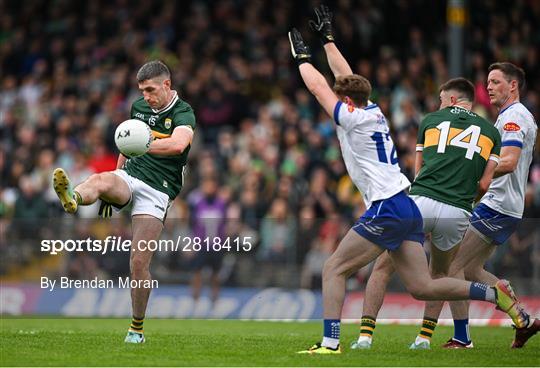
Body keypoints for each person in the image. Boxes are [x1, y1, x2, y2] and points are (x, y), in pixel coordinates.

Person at [291, 5, 527, 354]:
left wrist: (301, 58)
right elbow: (347, 77)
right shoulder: (371, 109)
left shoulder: (353, 118)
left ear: (346, 100)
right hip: (405, 203)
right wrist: (328, 40)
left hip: (388, 206)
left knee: (334, 268)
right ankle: (495, 294)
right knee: (423, 286)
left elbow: (318, 88)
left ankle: (330, 342)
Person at [352, 77, 502, 350]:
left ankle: (364, 337)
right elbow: (484, 184)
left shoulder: (430, 120)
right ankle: (423, 338)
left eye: (443, 99)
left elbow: (418, 172)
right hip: (457, 210)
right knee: (441, 274)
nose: (440, 104)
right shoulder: (492, 133)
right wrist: (465, 201)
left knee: (384, 266)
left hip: (422, 202)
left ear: (453, 100)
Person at [52, 60, 195, 343]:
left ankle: (136, 328)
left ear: (167, 85)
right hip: (131, 176)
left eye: (151, 90)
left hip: (159, 190)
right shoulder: (138, 108)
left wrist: (144, 144)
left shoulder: (183, 112)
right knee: (101, 180)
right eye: (142, 90)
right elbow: (126, 148)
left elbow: (179, 144)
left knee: (138, 263)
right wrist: (117, 178)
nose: (146, 96)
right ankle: (74, 197)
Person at [442, 62, 539, 349]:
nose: (488, 87)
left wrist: (470, 170)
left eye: (496, 81)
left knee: (452, 268)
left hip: (497, 205)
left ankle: (462, 338)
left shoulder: (515, 117)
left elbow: (508, 162)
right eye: (487, 82)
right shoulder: (508, 116)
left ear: (513, 86)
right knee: (471, 270)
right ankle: (522, 318)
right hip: (500, 205)